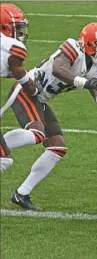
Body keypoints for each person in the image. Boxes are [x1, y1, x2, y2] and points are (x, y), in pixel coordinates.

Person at [4, 22, 97, 210]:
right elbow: (58, 68)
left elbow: (95, 93)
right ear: (89, 44)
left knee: (57, 147)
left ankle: (22, 193)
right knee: (37, 133)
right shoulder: (73, 47)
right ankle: (1, 148)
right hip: (27, 89)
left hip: (41, 99)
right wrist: (83, 82)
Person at [0, 3, 36, 173]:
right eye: (18, 29)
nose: (21, 34)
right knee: (4, 159)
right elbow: (26, 84)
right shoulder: (13, 47)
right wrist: (36, 90)